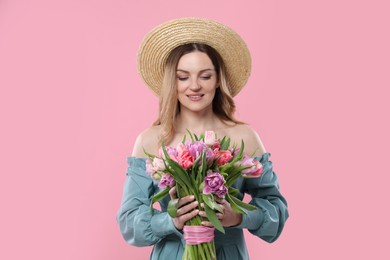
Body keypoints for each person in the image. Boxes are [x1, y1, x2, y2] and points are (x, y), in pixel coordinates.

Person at [117, 17, 289, 260]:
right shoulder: (150, 140)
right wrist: (171, 221)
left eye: (205, 76)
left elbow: (277, 209)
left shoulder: (244, 137)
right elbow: (128, 221)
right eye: (183, 77)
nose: (194, 86)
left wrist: (239, 216)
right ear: (171, 82)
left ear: (218, 80)